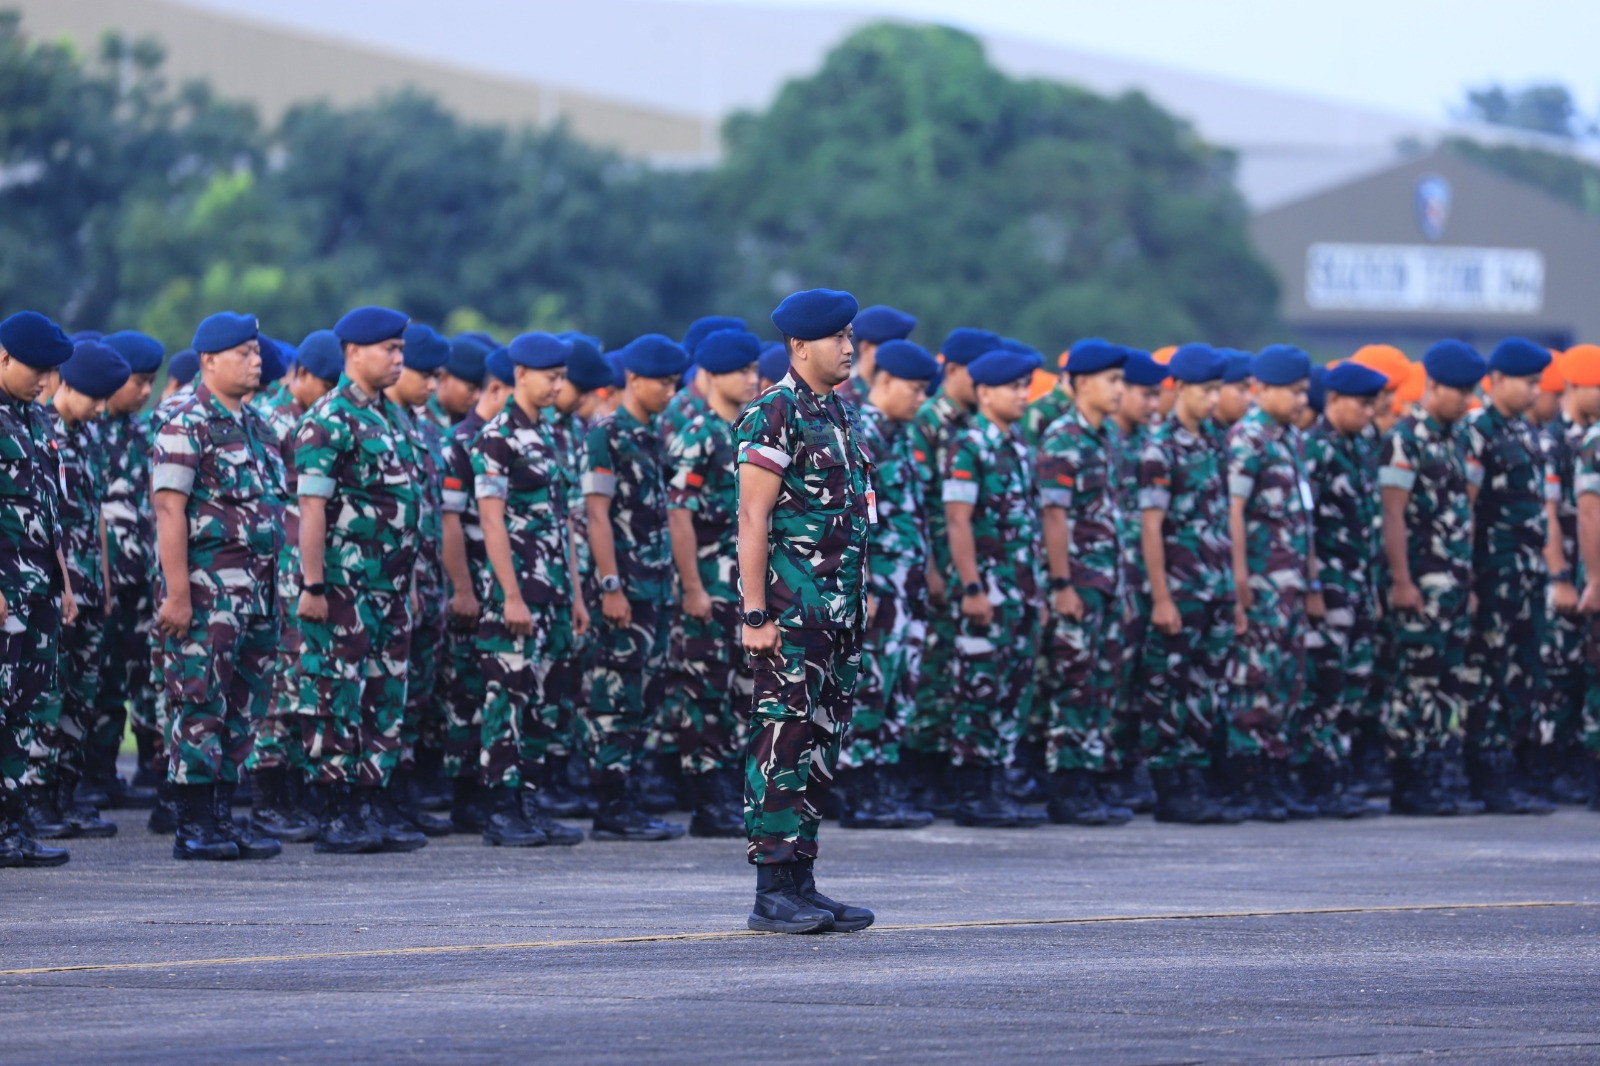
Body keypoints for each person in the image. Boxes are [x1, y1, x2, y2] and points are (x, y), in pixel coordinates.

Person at [736, 287, 875, 934]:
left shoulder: (838, 415)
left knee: (820, 744)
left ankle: (803, 879)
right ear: (799, 346)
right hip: (791, 616)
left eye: (850, 336)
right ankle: (771, 889)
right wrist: (755, 614)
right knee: (782, 740)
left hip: (837, 616)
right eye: (836, 338)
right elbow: (753, 518)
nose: (848, 348)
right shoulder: (775, 413)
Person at [292, 306, 427, 854]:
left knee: (383, 694)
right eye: (389, 350)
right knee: (335, 692)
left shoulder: (390, 417)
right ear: (353, 353)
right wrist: (313, 584)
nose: (399, 359)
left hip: (389, 588)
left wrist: (409, 582)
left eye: (401, 350)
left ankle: (369, 802)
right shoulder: (330, 418)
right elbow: (312, 508)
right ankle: (335, 809)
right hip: (345, 588)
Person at [151, 312, 283, 861]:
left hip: (257, 592)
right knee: (199, 700)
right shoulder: (186, 421)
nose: (256, 361)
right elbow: (168, 509)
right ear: (208, 361)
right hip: (208, 593)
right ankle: (195, 822)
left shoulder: (258, 425)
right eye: (243, 353)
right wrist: (178, 593)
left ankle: (224, 814)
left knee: (242, 705)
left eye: (256, 352)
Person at [472, 331, 588, 847]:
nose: (557, 386)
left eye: (562, 377)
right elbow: (492, 521)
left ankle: (529, 803)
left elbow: (563, 523)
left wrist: (578, 596)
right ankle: (500, 808)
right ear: (520, 375)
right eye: (549, 377)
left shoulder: (556, 434)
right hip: (515, 592)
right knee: (508, 697)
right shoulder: (498, 437)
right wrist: (510, 594)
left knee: (546, 699)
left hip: (555, 591)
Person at [582, 333, 690, 841]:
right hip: (623, 587)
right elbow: (597, 516)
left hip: (656, 588)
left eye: (674, 383)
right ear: (632, 379)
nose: (669, 391)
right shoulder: (607, 435)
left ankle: (630, 794)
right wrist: (610, 585)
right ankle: (611, 803)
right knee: (616, 693)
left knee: (646, 694)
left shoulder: (653, 435)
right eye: (661, 382)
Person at [27, 340, 130, 840]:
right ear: (65, 384)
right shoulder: (41, 433)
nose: (99, 408)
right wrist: (65, 586)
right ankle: (36, 800)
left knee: (81, 697)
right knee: (49, 694)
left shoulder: (84, 438)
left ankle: (64, 796)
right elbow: (49, 526)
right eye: (92, 397)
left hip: (90, 588)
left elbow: (97, 518)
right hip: (60, 589)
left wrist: (105, 585)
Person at [942, 344, 1047, 828]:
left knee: (1015, 685)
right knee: (980, 685)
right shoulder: (970, 446)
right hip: (988, 587)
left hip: (1021, 588)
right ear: (984, 393)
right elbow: (958, 521)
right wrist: (971, 587)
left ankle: (999, 779)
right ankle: (973, 788)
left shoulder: (1018, 444)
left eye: (1026, 386)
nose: (1023, 395)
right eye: (1013, 387)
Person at [836, 338, 940, 830]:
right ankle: (857, 787)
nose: (921, 399)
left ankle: (881, 776)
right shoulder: (861, 434)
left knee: (900, 682)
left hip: (908, 586)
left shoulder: (900, 436)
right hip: (879, 587)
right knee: (871, 684)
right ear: (884, 382)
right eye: (914, 389)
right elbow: (857, 519)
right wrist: (867, 583)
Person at [1136, 344, 1242, 824]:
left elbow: (1224, 520)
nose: (1214, 400)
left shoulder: (1217, 442)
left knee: (1205, 686)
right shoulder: (1161, 447)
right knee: (1170, 687)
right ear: (1179, 389)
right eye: (1206, 391)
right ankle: (1168, 782)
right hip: (1180, 589)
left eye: (1218, 390)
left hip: (1215, 586)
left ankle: (1195, 778)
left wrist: (1234, 589)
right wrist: (1160, 595)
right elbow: (1151, 525)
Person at [664, 328, 762, 837]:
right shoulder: (698, 429)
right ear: (712, 374)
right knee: (701, 688)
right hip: (706, 582)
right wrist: (693, 588)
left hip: (740, 585)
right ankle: (705, 796)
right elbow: (678, 514)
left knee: (738, 690)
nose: (752, 379)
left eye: (753, 370)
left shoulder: (744, 425)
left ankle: (727, 787)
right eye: (741, 371)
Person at [1380, 340, 1485, 815]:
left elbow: (1466, 512)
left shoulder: (1461, 439)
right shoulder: (1406, 438)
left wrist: (1472, 584)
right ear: (1433, 386)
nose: (1466, 400)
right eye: (1459, 391)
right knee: (1415, 682)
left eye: (1471, 391)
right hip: (1421, 583)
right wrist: (1401, 580)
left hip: (1455, 583)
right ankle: (1410, 779)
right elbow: (1393, 515)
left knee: (1449, 681)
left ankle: (1440, 776)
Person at [247, 329, 343, 843]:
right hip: (278, 569)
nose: (328, 395)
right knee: (278, 683)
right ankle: (267, 797)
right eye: (322, 384)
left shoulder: (318, 418)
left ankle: (293, 791)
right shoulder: (271, 420)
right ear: (299, 374)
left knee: (304, 679)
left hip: (304, 569)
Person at [902, 326, 1001, 810]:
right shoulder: (927, 421)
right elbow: (918, 504)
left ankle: (942, 778)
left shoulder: (971, 424)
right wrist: (933, 571)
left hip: (964, 571)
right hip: (932, 567)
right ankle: (919, 778)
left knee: (957, 674)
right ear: (956, 371)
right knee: (932, 674)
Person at [1459, 338, 1556, 814]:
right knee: (1488, 671)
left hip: (1526, 573)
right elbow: (1468, 509)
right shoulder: (1478, 430)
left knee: (1522, 670)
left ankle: (1510, 771)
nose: (1536, 391)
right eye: (1528, 382)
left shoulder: (1524, 431)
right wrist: (1472, 580)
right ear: (1495, 380)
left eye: (1540, 382)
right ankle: (1484, 773)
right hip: (1493, 573)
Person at [1036, 339, 1130, 825]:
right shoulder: (1063, 438)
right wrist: (1061, 583)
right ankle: (1068, 786)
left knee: (1101, 681)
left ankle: (1092, 778)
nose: (1120, 390)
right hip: (1078, 578)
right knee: (1073, 680)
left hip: (1107, 580)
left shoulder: (1105, 436)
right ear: (1083, 384)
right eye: (1112, 381)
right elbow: (1055, 516)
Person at [1225, 345, 1315, 821]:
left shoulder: (1289, 438)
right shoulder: (1249, 438)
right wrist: (1238, 578)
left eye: (1304, 391)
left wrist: (1311, 577)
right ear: (1263, 390)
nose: (1303, 400)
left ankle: (1274, 767)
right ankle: (1248, 776)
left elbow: (1302, 514)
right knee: (1254, 678)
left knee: (1285, 678)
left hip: (1291, 583)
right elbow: (1234, 511)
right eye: (1294, 392)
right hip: (1260, 582)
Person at [0, 311, 77, 867]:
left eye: (53, 372)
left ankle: (12, 823)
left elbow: (48, 511)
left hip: (39, 588)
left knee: (25, 707)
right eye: (37, 369)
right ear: (4, 356)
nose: (46, 382)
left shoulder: (36, 421)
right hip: (4, 587)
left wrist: (65, 583)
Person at [1299, 361, 1389, 818]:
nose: (1370, 413)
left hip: (1358, 584)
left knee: (1355, 680)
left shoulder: (1360, 448)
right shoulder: (1315, 448)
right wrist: (1312, 584)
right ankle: (1317, 776)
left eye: (1375, 404)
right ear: (1333, 400)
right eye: (1362, 404)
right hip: (1329, 585)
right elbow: (1304, 524)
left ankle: (1339, 771)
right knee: (1325, 682)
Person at [88, 330, 166, 812]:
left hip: (144, 579)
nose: (143, 392)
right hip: (101, 580)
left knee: (145, 676)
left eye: (150, 383)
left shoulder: (149, 433)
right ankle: (92, 773)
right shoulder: (86, 430)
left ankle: (147, 769)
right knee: (100, 677)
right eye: (137, 382)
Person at [439, 346, 513, 832]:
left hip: (500, 585)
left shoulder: (501, 438)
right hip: (473, 585)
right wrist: (462, 588)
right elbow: (449, 523)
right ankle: (465, 795)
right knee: (465, 693)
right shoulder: (462, 443)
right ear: (498, 390)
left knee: (494, 690)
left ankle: (488, 793)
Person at [385, 323, 455, 837]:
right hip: (382, 582)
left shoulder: (424, 430)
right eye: (423, 374)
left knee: (414, 694)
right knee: (380, 695)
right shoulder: (378, 425)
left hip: (424, 583)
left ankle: (399, 795)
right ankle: (377, 798)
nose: (432, 385)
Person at [1105, 348, 1167, 814]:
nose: (1153, 405)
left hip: (1143, 579)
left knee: (1143, 677)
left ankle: (1131, 766)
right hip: (1107, 578)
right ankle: (1106, 771)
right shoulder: (1103, 438)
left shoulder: (1147, 444)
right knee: (1109, 676)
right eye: (1147, 395)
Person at [1538, 346, 1600, 805]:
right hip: (1564, 571)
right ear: (1575, 387)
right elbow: (1550, 515)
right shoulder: (1552, 441)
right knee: (1557, 673)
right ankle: (1551, 765)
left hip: (1590, 568)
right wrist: (1561, 575)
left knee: (1589, 669)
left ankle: (1583, 764)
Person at [835, 304, 915, 408]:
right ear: (866, 348)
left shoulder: (899, 397)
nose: (898, 357)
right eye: (890, 349)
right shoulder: (845, 400)